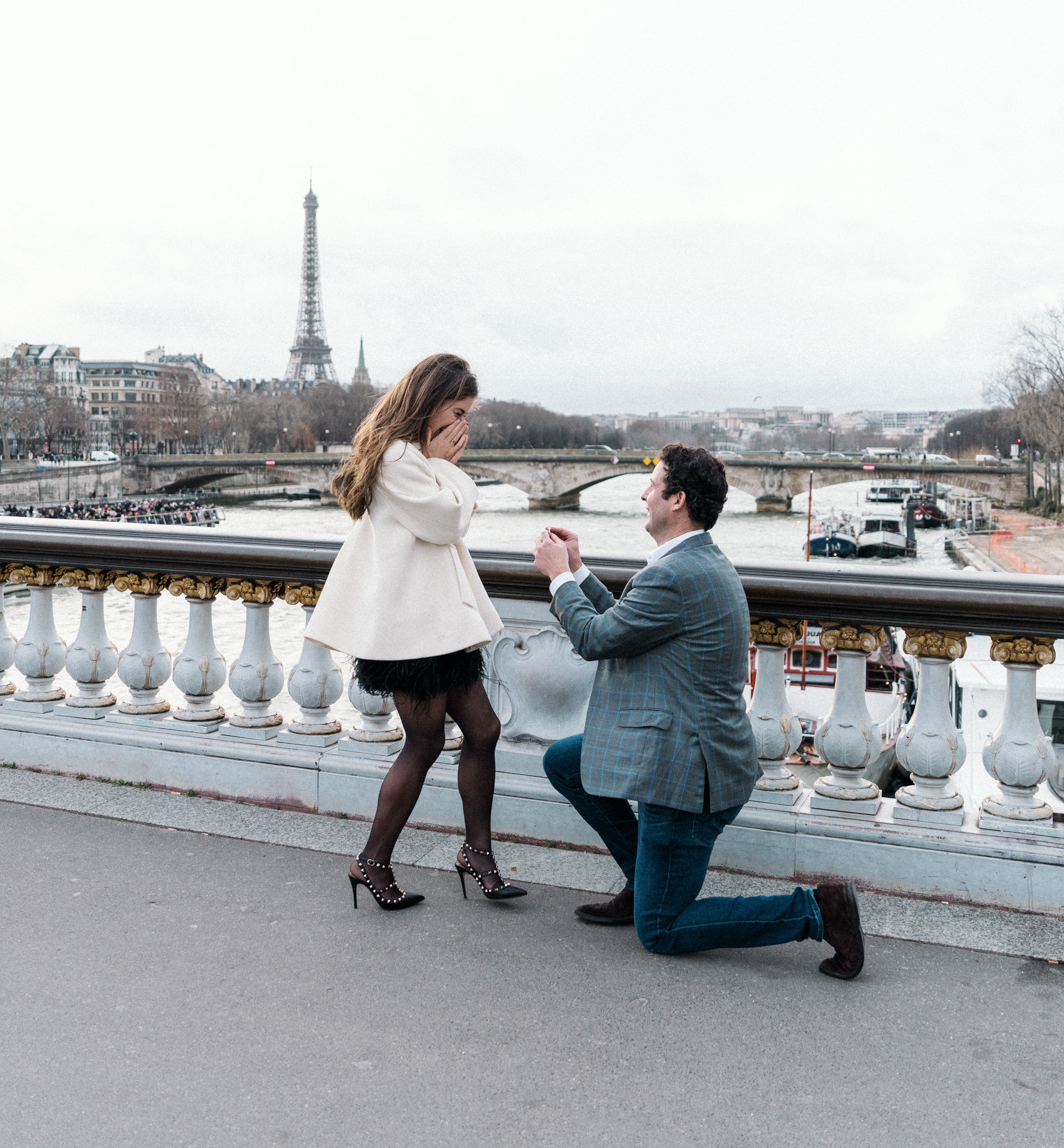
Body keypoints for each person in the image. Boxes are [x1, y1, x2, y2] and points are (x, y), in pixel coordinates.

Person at [531, 443, 865, 978]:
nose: (643, 493)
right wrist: (579, 570)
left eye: (653, 484)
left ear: (677, 499)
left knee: (661, 930)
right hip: (690, 751)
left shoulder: (675, 575)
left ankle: (817, 911)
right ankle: (645, 882)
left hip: (688, 776)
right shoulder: (690, 563)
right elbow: (627, 622)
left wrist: (557, 579)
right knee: (566, 762)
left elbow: (596, 638)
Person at [306, 352, 525, 910]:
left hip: (439, 628)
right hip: (412, 634)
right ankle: (372, 861)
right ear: (428, 405)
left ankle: (477, 854)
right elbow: (448, 520)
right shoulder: (398, 457)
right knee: (425, 742)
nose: (463, 427)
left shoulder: (411, 454)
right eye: (457, 411)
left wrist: (441, 462)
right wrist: (450, 468)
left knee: (484, 731)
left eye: (468, 413)